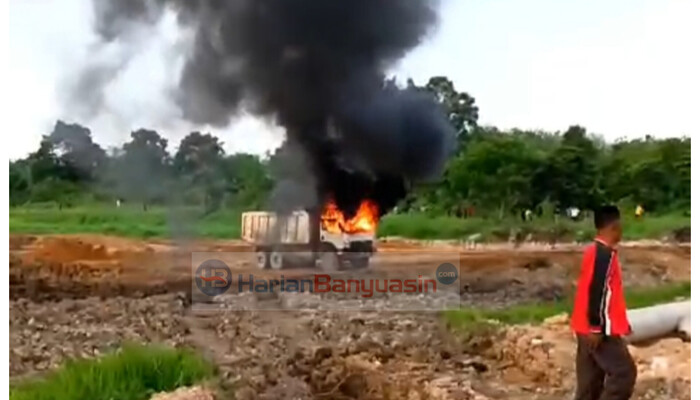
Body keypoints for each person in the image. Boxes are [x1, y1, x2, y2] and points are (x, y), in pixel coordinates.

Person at [571, 205, 636, 400]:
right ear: (614, 227)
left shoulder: (594, 252)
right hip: (598, 329)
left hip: (584, 326)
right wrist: (596, 327)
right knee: (624, 374)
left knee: (589, 384)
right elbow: (597, 290)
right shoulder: (604, 256)